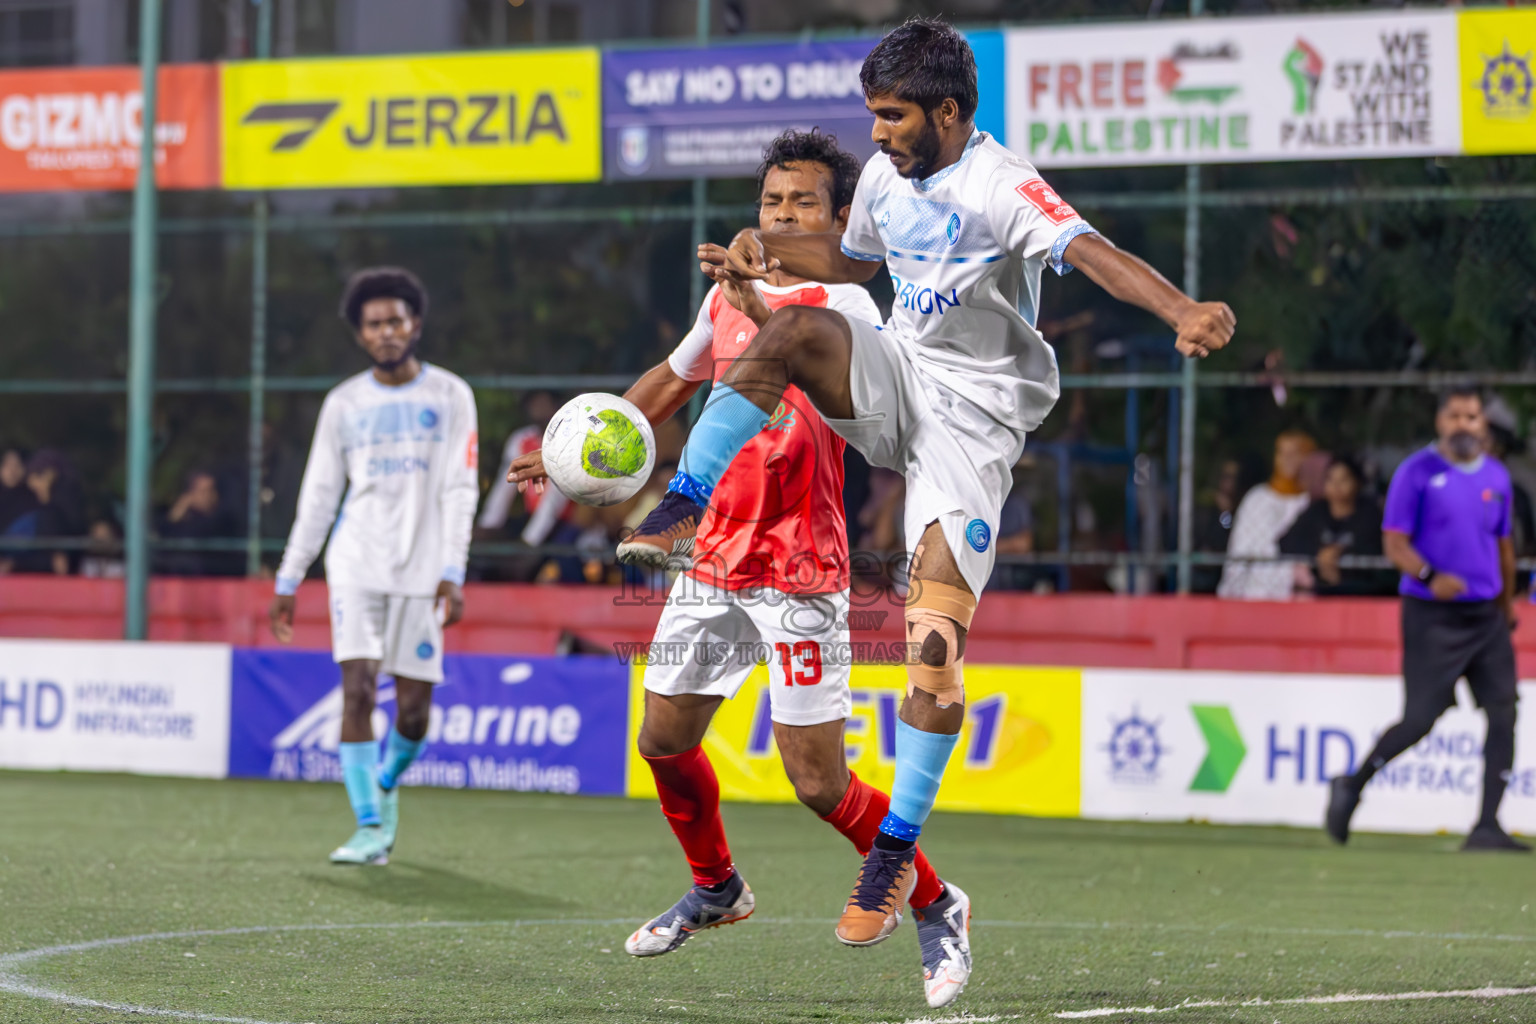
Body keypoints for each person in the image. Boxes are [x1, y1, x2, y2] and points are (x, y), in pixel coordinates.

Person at [620, 15, 1233, 961]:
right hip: (900, 373)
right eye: (872, 115)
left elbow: (1092, 252)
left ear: (947, 111)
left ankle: (898, 859)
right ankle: (686, 496)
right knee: (786, 335)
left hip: (972, 422)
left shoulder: (1002, 186)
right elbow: (854, 265)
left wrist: (1183, 307)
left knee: (935, 642)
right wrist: (767, 253)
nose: (876, 133)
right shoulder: (883, 179)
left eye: (893, 116)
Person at [512, 129, 971, 1007]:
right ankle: (717, 887)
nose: (783, 215)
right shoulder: (725, 293)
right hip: (714, 556)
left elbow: (829, 378)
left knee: (816, 781)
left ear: (843, 219)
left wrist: (764, 306)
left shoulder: (855, 305)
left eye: (803, 203)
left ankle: (938, 901)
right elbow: (673, 377)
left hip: (800, 570)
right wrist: (574, 445)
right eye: (771, 202)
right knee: (662, 739)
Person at [269, 267, 479, 866]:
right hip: (355, 562)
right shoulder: (344, 404)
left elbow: (461, 488)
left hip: (422, 570)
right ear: (360, 335)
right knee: (356, 690)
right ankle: (368, 826)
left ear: (415, 324)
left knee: (414, 711)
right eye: (374, 324)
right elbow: (318, 496)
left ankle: (384, 780)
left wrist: (453, 570)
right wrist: (290, 578)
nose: (386, 332)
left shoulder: (450, 396)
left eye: (395, 320)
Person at [1326, 388, 1528, 852]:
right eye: (1455, 415)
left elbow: (1503, 546)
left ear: (1484, 425)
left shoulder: (1497, 477)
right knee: (1419, 719)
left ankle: (1487, 825)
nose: (1464, 424)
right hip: (1432, 615)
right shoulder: (1416, 472)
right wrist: (1429, 575)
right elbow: (1394, 543)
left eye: (1472, 417)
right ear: (1441, 421)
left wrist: (1506, 602)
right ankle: (1352, 785)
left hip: (1486, 615)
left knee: (1503, 713)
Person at [1217, 430, 1314, 601]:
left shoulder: (1313, 503)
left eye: (1295, 453)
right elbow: (1239, 555)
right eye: (1281, 453)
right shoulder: (1257, 499)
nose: (1287, 460)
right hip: (1253, 600)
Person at [1278, 456, 1390, 597]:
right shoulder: (1315, 511)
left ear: (1357, 483)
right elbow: (1286, 543)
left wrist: (1340, 552)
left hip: (1364, 594)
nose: (1336, 486)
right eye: (1331, 479)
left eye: (1343, 479)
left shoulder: (1371, 513)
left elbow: (1378, 549)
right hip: (1320, 593)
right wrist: (1319, 553)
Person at [158, 470, 239, 577]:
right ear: (191, 494)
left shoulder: (224, 520)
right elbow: (163, 538)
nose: (208, 496)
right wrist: (178, 511)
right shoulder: (181, 521)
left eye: (211, 490)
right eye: (203, 491)